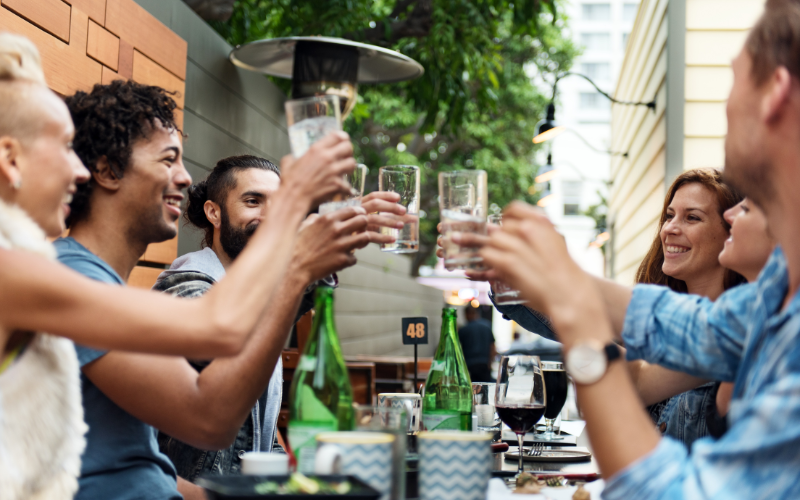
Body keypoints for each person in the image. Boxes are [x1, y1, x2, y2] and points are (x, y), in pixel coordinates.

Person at [0, 33, 352, 500]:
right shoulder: (55, 273)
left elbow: (138, 468)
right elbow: (211, 401)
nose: (187, 180)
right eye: (170, 159)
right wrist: (291, 214)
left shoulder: (80, 278)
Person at [480, 1, 800, 496]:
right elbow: (673, 322)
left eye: (734, 78)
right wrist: (540, 273)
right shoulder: (773, 294)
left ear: (774, 94)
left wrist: (580, 324)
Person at [153, 154, 405, 496]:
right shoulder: (186, 284)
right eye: (253, 201)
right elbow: (231, 344)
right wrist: (300, 263)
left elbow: (259, 437)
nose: (270, 216)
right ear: (214, 213)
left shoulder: (255, 291)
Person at [458, 305, 496, 382]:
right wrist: (490, 362)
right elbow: (493, 347)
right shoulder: (487, 326)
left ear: (467, 314)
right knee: (485, 388)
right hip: (484, 364)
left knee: (472, 389)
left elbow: (458, 350)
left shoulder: (463, 330)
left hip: (468, 365)